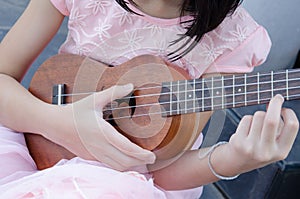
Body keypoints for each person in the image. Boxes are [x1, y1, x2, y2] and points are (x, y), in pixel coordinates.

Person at [0, 0, 298, 198]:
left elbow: (163, 172)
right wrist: (58, 124)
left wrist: (234, 160)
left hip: (124, 182)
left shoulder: (232, 38)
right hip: (33, 132)